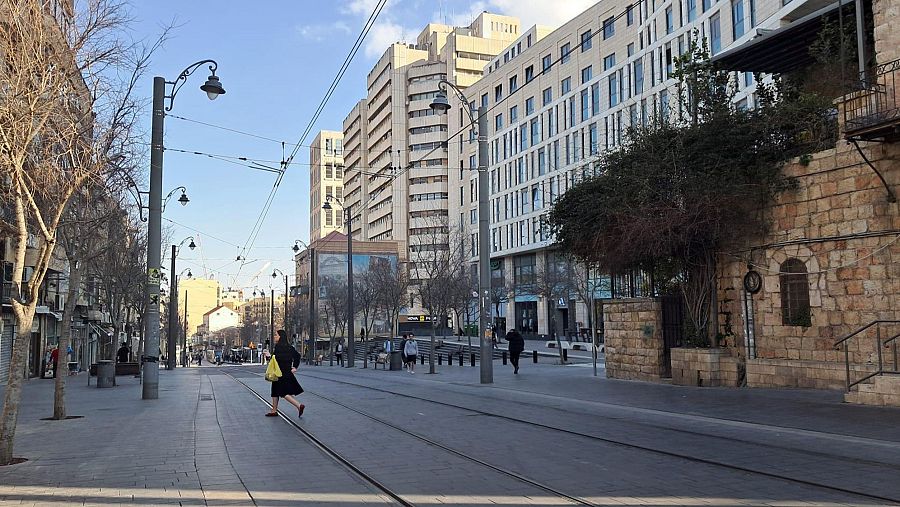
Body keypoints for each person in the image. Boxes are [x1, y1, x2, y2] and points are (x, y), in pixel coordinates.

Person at [267, 329, 305, 418]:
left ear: (281, 337)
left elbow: (275, 360)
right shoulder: (290, 347)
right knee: (275, 391)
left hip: (279, 373)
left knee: (283, 392)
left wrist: (268, 356)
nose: (275, 336)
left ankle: (299, 405)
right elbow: (297, 356)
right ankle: (274, 410)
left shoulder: (278, 347)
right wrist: (295, 367)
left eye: (276, 335)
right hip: (287, 372)